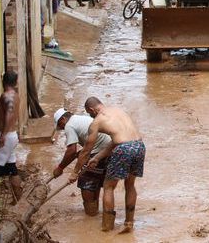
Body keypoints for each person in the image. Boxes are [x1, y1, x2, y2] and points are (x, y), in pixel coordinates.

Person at [71, 97, 146, 233]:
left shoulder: (97, 122)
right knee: (130, 185)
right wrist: (98, 157)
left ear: (91, 110)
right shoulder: (118, 111)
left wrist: (74, 172)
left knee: (108, 187)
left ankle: (107, 227)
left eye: (89, 113)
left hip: (123, 149)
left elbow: (86, 150)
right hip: (139, 146)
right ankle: (129, 223)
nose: (90, 116)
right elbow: (117, 140)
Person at [52, 107, 113, 215]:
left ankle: (91, 214)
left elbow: (71, 150)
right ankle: (96, 212)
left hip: (98, 153)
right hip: (109, 150)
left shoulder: (69, 125)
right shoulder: (81, 118)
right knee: (96, 181)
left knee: (86, 182)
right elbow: (81, 148)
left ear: (62, 120)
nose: (62, 128)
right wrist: (78, 155)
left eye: (60, 126)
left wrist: (60, 168)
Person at [0, 70, 23, 204]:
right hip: (11, 136)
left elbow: (9, 114)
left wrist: (2, 135)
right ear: (16, 82)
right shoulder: (15, 96)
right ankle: (18, 200)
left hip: (5, 137)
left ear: (3, 81)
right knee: (12, 170)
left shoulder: (6, 96)